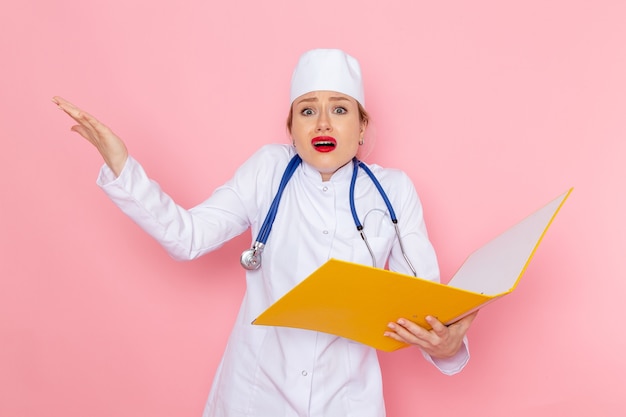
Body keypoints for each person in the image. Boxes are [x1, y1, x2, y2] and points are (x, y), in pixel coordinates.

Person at [53, 48, 477, 417]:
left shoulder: (394, 191)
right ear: (291, 128)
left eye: (341, 109)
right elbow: (188, 237)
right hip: (255, 394)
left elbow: (422, 304)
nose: (323, 123)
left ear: (363, 127)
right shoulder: (268, 170)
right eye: (308, 110)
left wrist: (446, 346)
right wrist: (123, 167)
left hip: (348, 402)